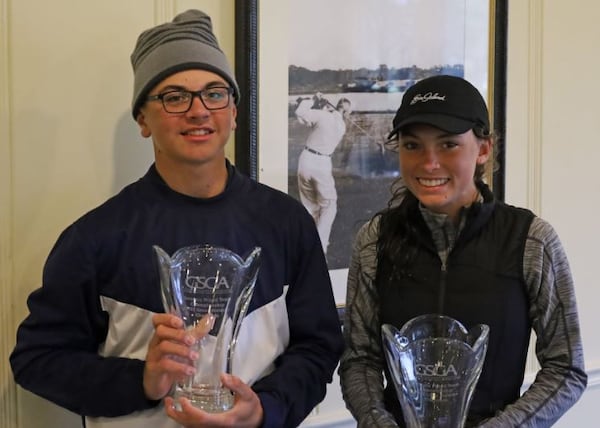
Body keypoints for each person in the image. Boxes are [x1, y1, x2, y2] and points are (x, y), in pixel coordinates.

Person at [10, 9, 344, 428]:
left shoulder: (286, 222)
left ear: (234, 112)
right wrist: (144, 380)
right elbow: (37, 360)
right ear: (142, 119)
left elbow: (318, 347)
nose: (199, 110)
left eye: (215, 93)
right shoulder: (95, 237)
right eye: (174, 96)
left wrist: (265, 409)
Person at [338, 74, 587, 427]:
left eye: (448, 145)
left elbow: (566, 368)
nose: (429, 163)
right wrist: (377, 422)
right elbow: (359, 359)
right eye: (412, 146)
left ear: (483, 148)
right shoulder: (374, 239)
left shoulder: (532, 240)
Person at [294, 93, 352, 255]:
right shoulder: (341, 125)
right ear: (346, 113)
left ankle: (309, 243)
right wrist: (322, 105)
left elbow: (300, 113)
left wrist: (313, 99)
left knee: (309, 205)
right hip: (322, 163)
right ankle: (320, 246)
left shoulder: (323, 115)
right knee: (328, 205)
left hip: (306, 160)